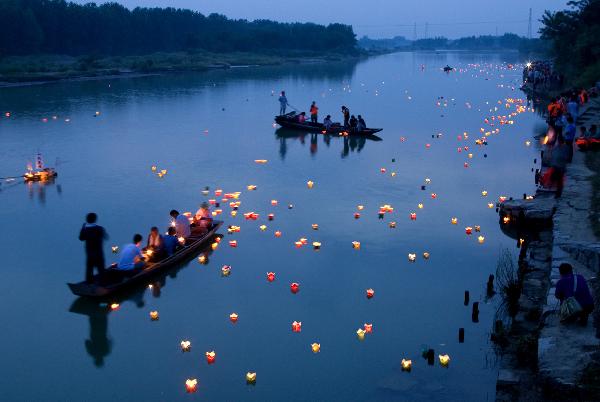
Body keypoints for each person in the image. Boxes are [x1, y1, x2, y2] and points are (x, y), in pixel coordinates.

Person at [79, 212, 108, 283]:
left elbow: (81, 238)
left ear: (87, 220)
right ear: (95, 219)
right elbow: (106, 237)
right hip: (99, 253)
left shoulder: (85, 230)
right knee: (101, 270)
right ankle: (102, 285)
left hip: (90, 254)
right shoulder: (99, 229)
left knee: (89, 269)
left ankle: (88, 284)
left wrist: (83, 227)